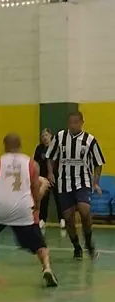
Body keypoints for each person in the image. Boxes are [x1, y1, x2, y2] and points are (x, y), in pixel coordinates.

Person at [0, 133, 58, 288]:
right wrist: (37, 207)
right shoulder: (32, 164)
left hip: (1, 208)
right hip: (24, 209)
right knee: (40, 244)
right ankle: (47, 268)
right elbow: (35, 187)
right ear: (20, 144)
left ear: (5, 145)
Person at [46, 111, 105, 260]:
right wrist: (50, 173)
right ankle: (76, 246)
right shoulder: (59, 137)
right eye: (70, 122)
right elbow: (50, 157)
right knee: (68, 218)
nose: (73, 125)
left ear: (81, 123)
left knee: (85, 211)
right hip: (64, 183)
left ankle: (89, 243)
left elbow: (98, 163)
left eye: (76, 122)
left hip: (83, 181)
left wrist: (96, 181)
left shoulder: (90, 140)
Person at [33, 128, 64, 230]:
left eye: (46, 135)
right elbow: (35, 163)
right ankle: (42, 219)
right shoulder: (39, 148)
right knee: (44, 199)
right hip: (42, 177)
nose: (44, 137)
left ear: (51, 136)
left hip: (55, 177)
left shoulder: (56, 148)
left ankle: (62, 219)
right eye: (42, 136)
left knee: (58, 198)